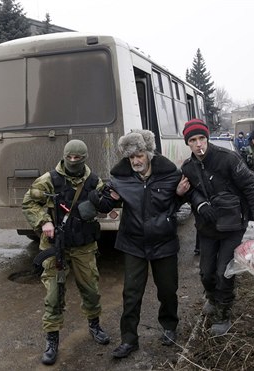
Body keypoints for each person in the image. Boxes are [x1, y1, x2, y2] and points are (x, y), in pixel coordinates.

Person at [93, 130, 183, 358]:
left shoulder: (170, 174)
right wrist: (100, 199)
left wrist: (180, 195)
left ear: (149, 154)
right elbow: (105, 205)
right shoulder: (120, 179)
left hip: (164, 243)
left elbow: (180, 200)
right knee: (131, 294)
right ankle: (129, 340)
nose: (135, 161)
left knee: (167, 290)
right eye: (131, 157)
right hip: (133, 244)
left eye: (139, 155)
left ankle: (170, 327)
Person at [179, 119, 254, 336]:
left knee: (224, 272)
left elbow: (251, 186)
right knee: (206, 273)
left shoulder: (228, 159)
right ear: (188, 143)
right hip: (207, 227)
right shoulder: (188, 167)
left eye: (202, 138)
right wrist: (200, 203)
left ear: (207, 138)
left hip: (232, 225)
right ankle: (212, 298)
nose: (199, 144)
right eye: (193, 140)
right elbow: (189, 191)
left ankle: (223, 314)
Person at [22, 139, 110, 365]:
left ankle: (94, 325)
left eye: (77, 158)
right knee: (54, 293)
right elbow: (29, 202)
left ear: (84, 157)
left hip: (83, 246)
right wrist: (44, 222)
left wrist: (102, 203)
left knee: (90, 289)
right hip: (56, 249)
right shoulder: (49, 180)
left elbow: (106, 203)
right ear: (64, 156)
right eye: (69, 157)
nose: (72, 161)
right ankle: (52, 339)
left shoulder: (94, 181)